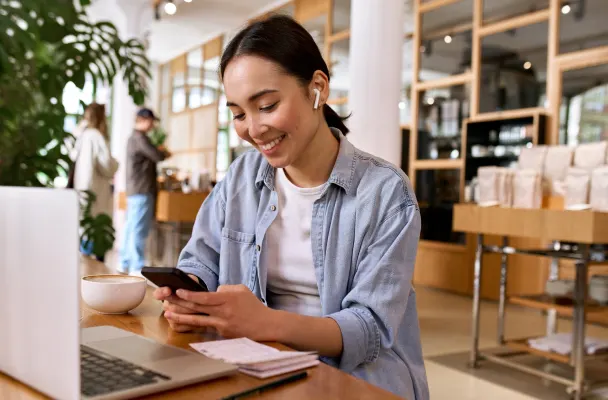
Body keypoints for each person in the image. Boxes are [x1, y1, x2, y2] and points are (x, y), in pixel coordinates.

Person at [154, 15, 428, 400]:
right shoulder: (241, 177)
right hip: (256, 366)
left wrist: (264, 323)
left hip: (356, 380)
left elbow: (369, 328)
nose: (252, 128)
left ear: (317, 88)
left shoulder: (385, 194)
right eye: (237, 114)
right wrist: (191, 294)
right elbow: (201, 260)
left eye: (266, 105)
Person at [119, 108, 170, 276]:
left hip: (134, 189)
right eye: (151, 121)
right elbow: (157, 156)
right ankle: (136, 266)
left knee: (130, 227)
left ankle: (125, 262)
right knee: (138, 229)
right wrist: (163, 151)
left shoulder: (132, 138)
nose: (152, 125)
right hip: (142, 189)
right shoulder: (140, 138)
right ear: (143, 120)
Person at [71, 103, 119, 262]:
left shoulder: (80, 136)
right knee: (97, 230)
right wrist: (116, 163)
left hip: (81, 190)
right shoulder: (96, 136)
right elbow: (107, 166)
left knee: (83, 228)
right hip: (96, 191)